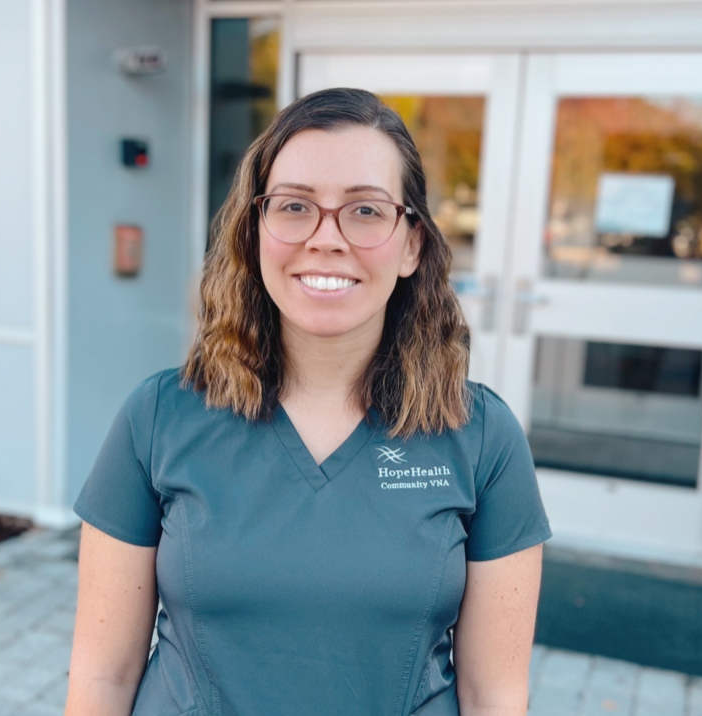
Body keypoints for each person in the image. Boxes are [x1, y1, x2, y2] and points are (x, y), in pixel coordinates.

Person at [65, 87, 551, 716]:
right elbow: (104, 674)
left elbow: (495, 694)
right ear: (255, 230)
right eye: (294, 205)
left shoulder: (482, 436)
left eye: (366, 211)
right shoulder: (159, 418)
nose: (325, 238)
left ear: (412, 246)